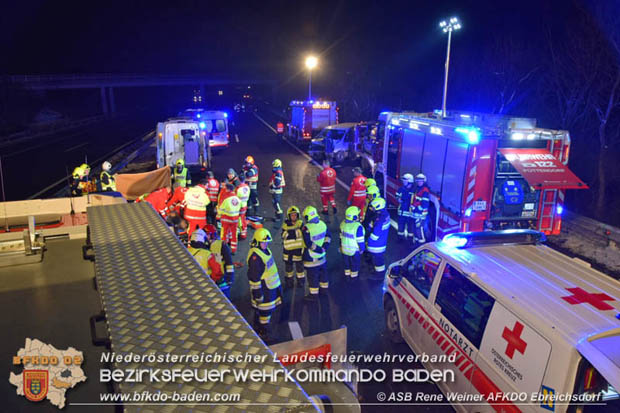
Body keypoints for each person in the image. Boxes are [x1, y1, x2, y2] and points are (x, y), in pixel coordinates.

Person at [247, 228, 282, 340]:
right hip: (264, 289)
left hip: (270, 287)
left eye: (267, 242)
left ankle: (259, 327)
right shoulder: (256, 258)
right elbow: (254, 279)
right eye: (263, 242)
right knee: (264, 313)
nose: (266, 244)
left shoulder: (264, 251)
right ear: (257, 242)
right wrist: (258, 295)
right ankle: (263, 333)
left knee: (263, 312)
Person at [301, 206, 331, 301]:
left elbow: (308, 243)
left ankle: (313, 295)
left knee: (312, 277)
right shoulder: (323, 224)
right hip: (322, 257)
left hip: (311, 258)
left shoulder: (307, 228)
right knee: (323, 274)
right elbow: (328, 236)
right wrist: (324, 248)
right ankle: (324, 290)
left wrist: (319, 249)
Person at [204, 224, 235, 298]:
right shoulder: (204, 246)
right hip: (210, 277)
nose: (205, 236)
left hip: (222, 277)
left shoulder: (222, 245)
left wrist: (230, 278)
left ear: (212, 235)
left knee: (225, 298)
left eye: (207, 234)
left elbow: (229, 263)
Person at [366, 197, 390, 280]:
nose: (371, 208)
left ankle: (379, 276)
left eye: (373, 206)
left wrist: (368, 241)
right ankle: (378, 273)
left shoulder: (380, 219)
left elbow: (375, 235)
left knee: (378, 261)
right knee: (378, 259)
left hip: (376, 245)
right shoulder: (384, 215)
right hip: (381, 242)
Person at [339, 206, 365, 281]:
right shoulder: (357, 227)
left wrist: (340, 246)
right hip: (354, 251)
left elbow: (340, 236)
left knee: (346, 263)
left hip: (344, 249)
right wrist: (362, 249)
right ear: (354, 217)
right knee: (355, 264)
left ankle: (347, 275)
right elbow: (360, 240)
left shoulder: (342, 224)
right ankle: (354, 277)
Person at [281, 206, 304, 288]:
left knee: (300, 270)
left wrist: (290, 232)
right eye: (292, 215)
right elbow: (283, 235)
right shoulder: (285, 225)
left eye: (295, 215)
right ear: (289, 216)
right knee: (289, 270)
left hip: (298, 251)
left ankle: (300, 282)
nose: (293, 217)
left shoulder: (301, 223)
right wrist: (295, 231)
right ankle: (289, 282)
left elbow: (301, 234)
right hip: (288, 252)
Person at [217, 183, 241, 253]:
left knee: (224, 233)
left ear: (227, 189)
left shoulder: (226, 199)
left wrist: (219, 213)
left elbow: (221, 210)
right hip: (235, 219)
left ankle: (224, 248)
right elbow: (240, 207)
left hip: (226, 219)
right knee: (234, 234)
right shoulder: (237, 199)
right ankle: (233, 249)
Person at [411, 173, 430, 246]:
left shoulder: (425, 190)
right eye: (418, 181)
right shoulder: (418, 188)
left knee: (419, 228)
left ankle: (421, 244)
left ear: (424, 181)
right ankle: (416, 242)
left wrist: (416, 207)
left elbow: (425, 204)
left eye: (420, 181)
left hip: (420, 213)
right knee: (415, 228)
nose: (419, 182)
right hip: (416, 212)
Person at [396, 173, 414, 242]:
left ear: (409, 181)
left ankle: (410, 239)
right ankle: (400, 238)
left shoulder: (414, 190)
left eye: (405, 180)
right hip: (402, 211)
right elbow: (397, 195)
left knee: (410, 227)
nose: (403, 181)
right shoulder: (401, 189)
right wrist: (398, 199)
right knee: (400, 226)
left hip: (410, 213)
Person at [236, 175, 251, 240]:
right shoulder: (247, 187)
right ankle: (243, 233)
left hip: (239, 206)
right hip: (245, 204)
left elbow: (235, 197)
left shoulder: (238, 188)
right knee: (242, 218)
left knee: (239, 219)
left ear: (239, 180)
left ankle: (241, 233)